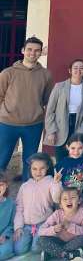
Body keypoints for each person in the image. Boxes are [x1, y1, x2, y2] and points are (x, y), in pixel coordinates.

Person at [0, 37, 53, 176]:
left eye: (37, 51)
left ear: (41, 53)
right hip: (7, 124)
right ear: (23, 50)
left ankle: (28, 192)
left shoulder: (46, 75)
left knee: (31, 163)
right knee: (1, 159)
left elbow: (48, 100)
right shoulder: (8, 73)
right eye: (29, 49)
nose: (32, 53)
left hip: (34, 125)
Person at [45, 59, 83, 161]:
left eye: (81, 68)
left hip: (80, 123)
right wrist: (51, 130)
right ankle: (61, 176)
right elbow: (50, 110)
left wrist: (82, 129)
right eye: (75, 68)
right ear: (70, 70)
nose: (78, 70)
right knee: (62, 158)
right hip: (61, 123)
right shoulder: (59, 86)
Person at [12, 152, 62, 255]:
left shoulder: (51, 182)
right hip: (26, 225)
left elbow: (57, 199)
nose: (38, 172)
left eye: (42, 168)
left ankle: (51, 239)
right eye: (34, 169)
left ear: (47, 167)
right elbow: (19, 207)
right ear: (30, 168)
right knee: (19, 249)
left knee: (36, 249)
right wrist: (18, 227)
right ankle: (34, 238)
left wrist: (56, 183)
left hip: (43, 223)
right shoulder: (25, 186)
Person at [38, 186, 83, 261]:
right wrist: (54, 229)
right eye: (65, 199)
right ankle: (67, 254)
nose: (69, 201)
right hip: (59, 240)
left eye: (73, 197)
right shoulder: (57, 214)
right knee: (41, 240)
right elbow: (41, 230)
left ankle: (52, 252)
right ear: (60, 204)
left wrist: (70, 226)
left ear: (79, 200)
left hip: (74, 241)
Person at [55, 133, 83, 199]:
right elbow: (57, 182)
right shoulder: (61, 163)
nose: (76, 152)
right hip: (67, 199)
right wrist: (56, 181)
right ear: (67, 147)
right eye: (73, 148)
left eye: (80, 148)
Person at [0, 172, 12, 261]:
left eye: (1, 185)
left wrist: (5, 235)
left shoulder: (11, 204)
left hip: (3, 237)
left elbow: (11, 224)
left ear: (6, 185)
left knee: (6, 251)